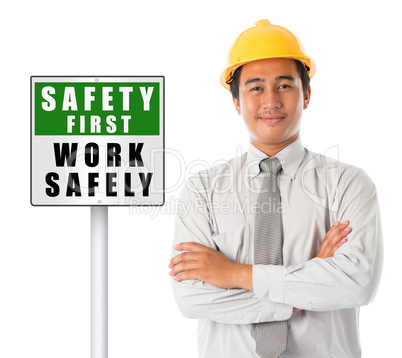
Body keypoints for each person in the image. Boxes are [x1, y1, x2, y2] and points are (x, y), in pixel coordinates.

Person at [168, 19, 383, 358]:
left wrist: (234, 274)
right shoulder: (202, 191)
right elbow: (192, 298)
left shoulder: (349, 185)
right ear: (236, 101)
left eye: (284, 85)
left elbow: (358, 284)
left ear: (306, 94)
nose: (271, 100)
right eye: (255, 87)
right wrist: (306, 288)